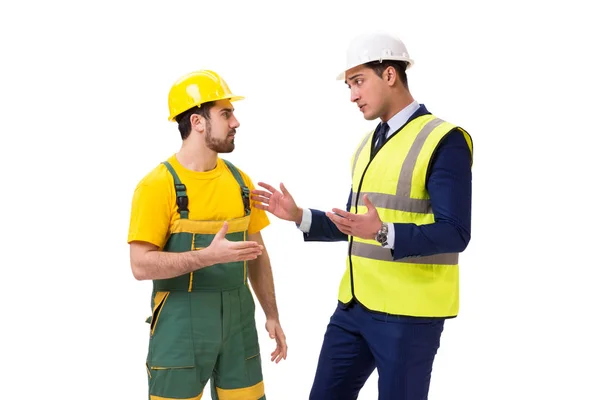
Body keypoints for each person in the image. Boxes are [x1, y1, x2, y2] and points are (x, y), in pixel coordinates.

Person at [251, 32, 473, 400]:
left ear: (389, 75)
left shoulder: (443, 140)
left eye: (358, 82)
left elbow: (456, 233)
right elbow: (358, 225)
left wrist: (385, 232)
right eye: (350, 85)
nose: (352, 95)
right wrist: (299, 215)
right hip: (353, 308)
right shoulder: (368, 144)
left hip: (408, 316)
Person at [127, 69, 287, 400]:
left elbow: (257, 255)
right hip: (179, 325)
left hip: (239, 322)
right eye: (225, 113)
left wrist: (272, 314)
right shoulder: (158, 186)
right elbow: (140, 265)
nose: (236, 122)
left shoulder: (241, 181)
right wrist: (206, 257)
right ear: (198, 122)